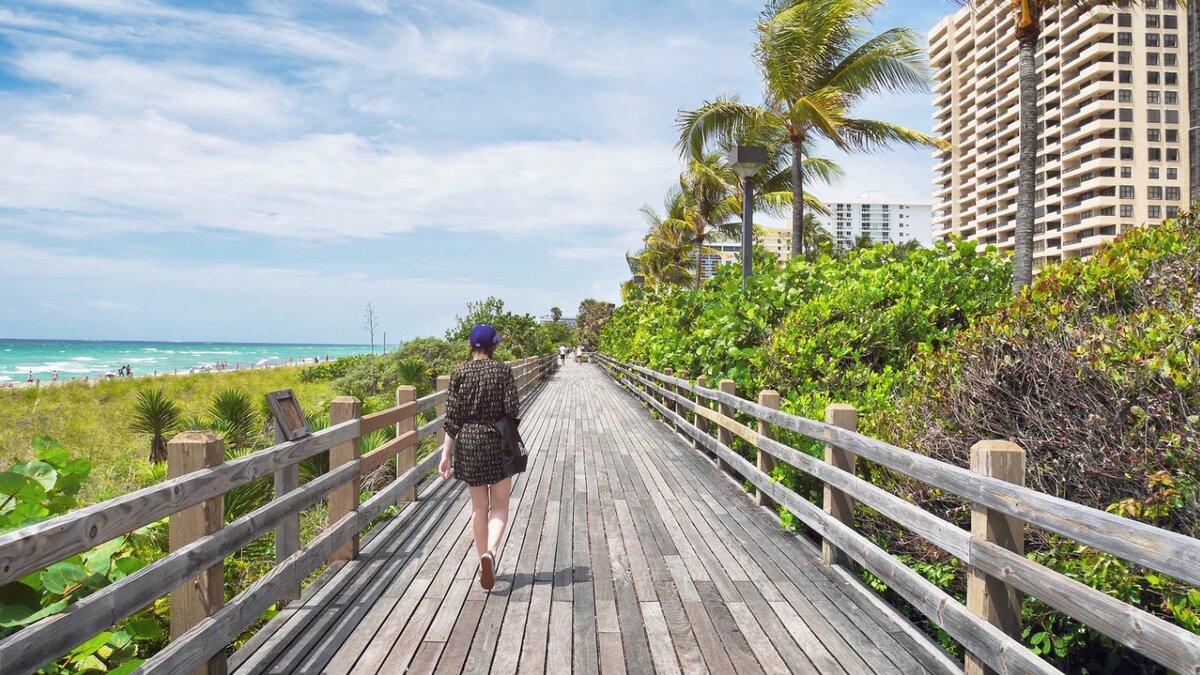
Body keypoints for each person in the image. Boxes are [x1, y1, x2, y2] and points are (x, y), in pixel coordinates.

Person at [438, 324, 520, 591]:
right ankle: (491, 554)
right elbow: (512, 408)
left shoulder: (460, 373)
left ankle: (481, 556)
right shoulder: (502, 371)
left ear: (471, 346)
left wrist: (445, 454)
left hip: (469, 443)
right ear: (492, 345)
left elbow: (452, 418)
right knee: (500, 506)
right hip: (497, 440)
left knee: (477, 508)